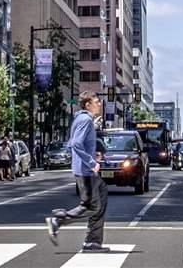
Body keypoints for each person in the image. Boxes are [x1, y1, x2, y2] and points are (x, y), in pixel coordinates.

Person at [45, 91, 106, 253]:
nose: (99, 104)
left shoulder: (81, 119)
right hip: (86, 171)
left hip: (84, 169)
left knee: (101, 199)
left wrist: (93, 154)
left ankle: (93, 241)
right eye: (96, 101)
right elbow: (76, 144)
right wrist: (92, 162)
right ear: (88, 104)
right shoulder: (85, 120)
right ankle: (58, 219)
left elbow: (78, 143)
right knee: (92, 207)